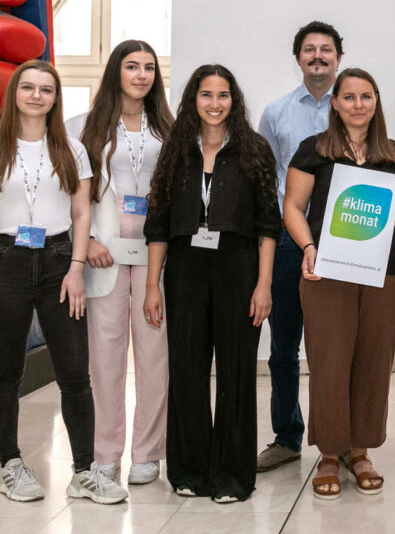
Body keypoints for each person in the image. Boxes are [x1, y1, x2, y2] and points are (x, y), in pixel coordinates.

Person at [143, 64, 280, 503]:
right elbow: (158, 224)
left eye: (223, 95)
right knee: (186, 369)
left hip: (238, 267)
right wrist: (151, 286)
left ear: (234, 101)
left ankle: (233, 476)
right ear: (192, 100)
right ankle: (188, 471)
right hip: (184, 269)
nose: (215, 103)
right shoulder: (175, 151)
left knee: (238, 372)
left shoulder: (254, 150)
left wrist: (264, 285)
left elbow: (267, 226)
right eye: (206, 95)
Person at [0, 60, 128, 504]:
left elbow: (81, 213)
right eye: (29, 87)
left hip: (59, 261)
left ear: (56, 98)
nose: (37, 95)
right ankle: (8, 462)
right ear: (15, 92)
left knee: (75, 373)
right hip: (6, 261)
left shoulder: (71, 148)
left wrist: (76, 268)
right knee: (6, 373)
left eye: (47, 89)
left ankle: (84, 471)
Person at [284, 68, 395, 499]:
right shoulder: (313, 151)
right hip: (327, 271)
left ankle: (359, 452)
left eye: (367, 96)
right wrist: (307, 247)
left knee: (373, 362)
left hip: (383, 274)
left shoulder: (392, 153)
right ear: (335, 104)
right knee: (330, 362)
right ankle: (328, 453)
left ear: (376, 102)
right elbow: (292, 207)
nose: (359, 105)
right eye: (350, 97)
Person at [66, 40, 174, 485]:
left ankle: (148, 453)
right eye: (132, 66)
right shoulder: (81, 127)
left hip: (155, 256)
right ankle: (105, 453)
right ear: (116, 72)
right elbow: (68, 193)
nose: (141, 75)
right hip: (103, 254)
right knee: (104, 359)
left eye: (149, 67)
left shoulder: (169, 129)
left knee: (154, 356)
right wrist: (87, 238)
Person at [256, 21, 343, 472]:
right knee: (284, 347)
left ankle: (342, 440)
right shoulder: (275, 113)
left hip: (345, 243)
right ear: (298, 59)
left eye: (326, 50)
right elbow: (265, 177)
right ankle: (287, 437)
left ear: (338, 58)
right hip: (291, 241)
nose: (317, 57)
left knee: (338, 346)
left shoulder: (351, 107)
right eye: (309, 50)